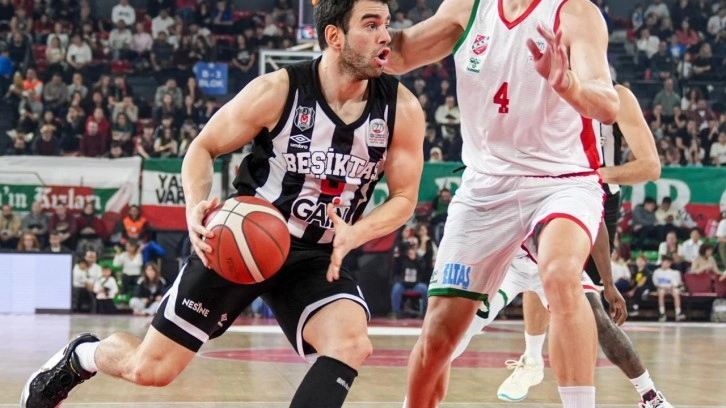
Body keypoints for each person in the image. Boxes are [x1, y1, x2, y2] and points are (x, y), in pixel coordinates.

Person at [20, 1, 425, 407]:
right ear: (335, 36)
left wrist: (358, 232)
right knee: (150, 369)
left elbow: (405, 197)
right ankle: (82, 355)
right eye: (371, 25)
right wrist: (195, 206)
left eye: (386, 24)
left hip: (318, 254)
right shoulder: (278, 90)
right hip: (244, 237)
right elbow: (203, 147)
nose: (386, 36)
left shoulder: (401, 108)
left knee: (351, 344)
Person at [386, 0, 619, 405]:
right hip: (486, 186)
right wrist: (348, 20)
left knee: (560, 273)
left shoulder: (575, 12)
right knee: (439, 337)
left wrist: (569, 84)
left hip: (561, 180)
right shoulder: (467, 7)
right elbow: (399, 54)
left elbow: (609, 105)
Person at [408, 84, 671, 408]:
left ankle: (649, 395)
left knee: (593, 315)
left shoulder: (604, 102)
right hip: (511, 251)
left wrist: (607, 281)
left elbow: (647, 170)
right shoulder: (515, 118)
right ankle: (528, 358)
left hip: (581, 201)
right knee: (450, 333)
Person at [653, 256, 686, 322]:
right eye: (665, 262)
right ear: (662, 262)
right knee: (661, 292)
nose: (666, 264)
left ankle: (678, 313)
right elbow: (656, 283)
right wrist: (663, 287)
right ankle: (662, 313)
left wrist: (671, 288)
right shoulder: (656, 272)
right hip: (661, 288)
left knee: (676, 293)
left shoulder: (674, 272)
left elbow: (676, 284)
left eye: (668, 263)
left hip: (671, 288)